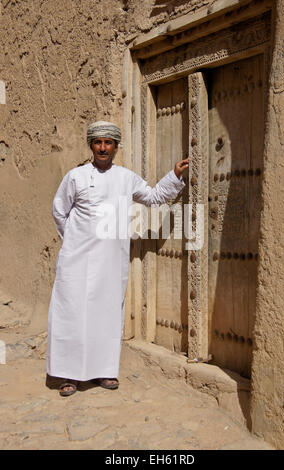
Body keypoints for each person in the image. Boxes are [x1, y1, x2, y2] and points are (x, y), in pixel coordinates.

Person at [46, 120, 189, 396]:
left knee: (106, 314)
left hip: (111, 262)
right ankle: (68, 376)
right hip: (76, 261)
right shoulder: (74, 177)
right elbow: (59, 212)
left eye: (108, 143)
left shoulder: (126, 178)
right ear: (91, 145)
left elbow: (154, 197)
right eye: (98, 142)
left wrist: (174, 175)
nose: (102, 148)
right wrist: (76, 241)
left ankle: (103, 372)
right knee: (71, 314)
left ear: (115, 147)